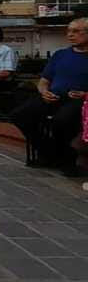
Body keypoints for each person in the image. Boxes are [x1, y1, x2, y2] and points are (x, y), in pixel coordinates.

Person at [11, 18, 88, 176]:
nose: (70, 35)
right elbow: (44, 81)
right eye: (68, 31)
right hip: (52, 96)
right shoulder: (60, 55)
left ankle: (67, 159)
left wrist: (86, 94)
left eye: (75, 31)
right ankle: (50, 153)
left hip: (79, 99)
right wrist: (44, 92)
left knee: (62, 121)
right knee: (19, 115)